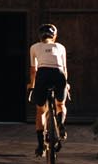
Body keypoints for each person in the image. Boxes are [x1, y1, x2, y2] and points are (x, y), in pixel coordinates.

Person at [26, 22, 69, 155]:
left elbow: (33, 70)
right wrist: (66, 84)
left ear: (40, 36)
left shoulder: (34, 47)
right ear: (54, 36)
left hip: (43, 75)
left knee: (40, 111)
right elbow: (64, 69)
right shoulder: (60, 47)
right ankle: (61, 124)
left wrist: (31, 85)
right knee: (60, 104)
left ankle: (40, 146)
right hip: (59, 75)